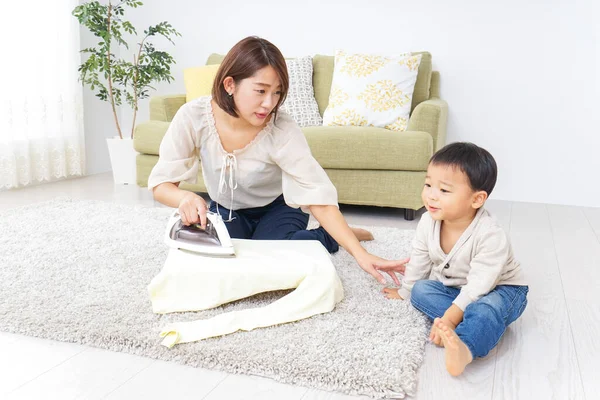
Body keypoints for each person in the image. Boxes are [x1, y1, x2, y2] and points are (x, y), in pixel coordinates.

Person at [148, 36, 408, 283]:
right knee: (218, 255)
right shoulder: (193, 117)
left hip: (278, 207)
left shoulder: (281, 129)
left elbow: (318, 197)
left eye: (277, 93)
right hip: (226, 209)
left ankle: (330, 236)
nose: (269, 104)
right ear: (230, 85)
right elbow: (161, 185)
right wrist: (185, 198)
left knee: (270, 256)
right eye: (260, 91)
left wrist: (359, 254)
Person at [376, 142, 528, 376]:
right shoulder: (428, 221)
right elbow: (420, 259)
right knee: (421, 290)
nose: (431, 196)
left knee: (487, 308)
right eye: (428, 185)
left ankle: (465, 349)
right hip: (458, 288)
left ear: (477, 199)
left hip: (502, 290)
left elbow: (480, 284)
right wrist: (405, 290)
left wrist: (448, 318)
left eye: (444, 190)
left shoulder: (490, 234)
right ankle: (475, 321)